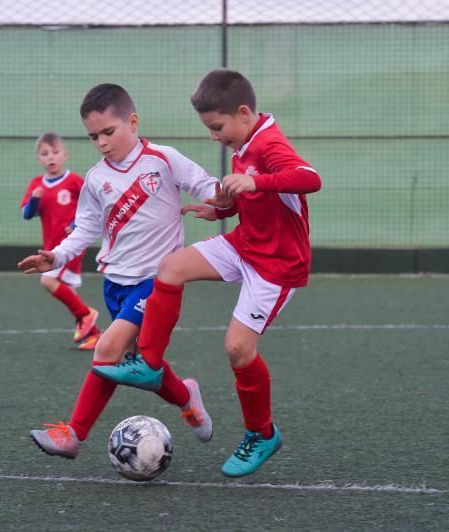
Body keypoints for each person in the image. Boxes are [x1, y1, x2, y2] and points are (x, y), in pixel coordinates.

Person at [94, 69, 322, 477]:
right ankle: (149, 362)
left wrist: (255, 181)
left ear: (243, 112)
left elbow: (309, 179)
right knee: (172, 266)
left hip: (277, 266)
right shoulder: (246, 139)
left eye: (217, 127)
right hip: (245, 244)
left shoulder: (269, 142)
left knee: (238, 348)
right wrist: (222, 208)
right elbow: (255, 196)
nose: (215, 136)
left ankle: (261, 433)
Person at [18, 83, 222, 458]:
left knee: (107, 350)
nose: (102, 142)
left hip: (156, 282)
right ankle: (187, 398)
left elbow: (206, 184)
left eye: (108, 132)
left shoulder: (164, 159)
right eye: (94, 136)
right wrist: (57, 257)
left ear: (133, 121)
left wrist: (226, 197)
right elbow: (86, 228)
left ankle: (73, 434)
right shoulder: (96, 178)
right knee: (136, 363)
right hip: (116, 284)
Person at [21, 132, 100, 351]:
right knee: (67, 291)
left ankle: (86, 315)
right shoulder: (37, 184)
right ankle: (95, 335)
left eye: (55, 152)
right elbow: (27, 214)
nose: (51, 157)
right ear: (39, 159)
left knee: (47, 281)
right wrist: (35, 198)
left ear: (65, 154)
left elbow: (94, 204)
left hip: (71, 247)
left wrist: (76, 223)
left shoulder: (74, 181)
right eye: (45, 154)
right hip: (51, 249)